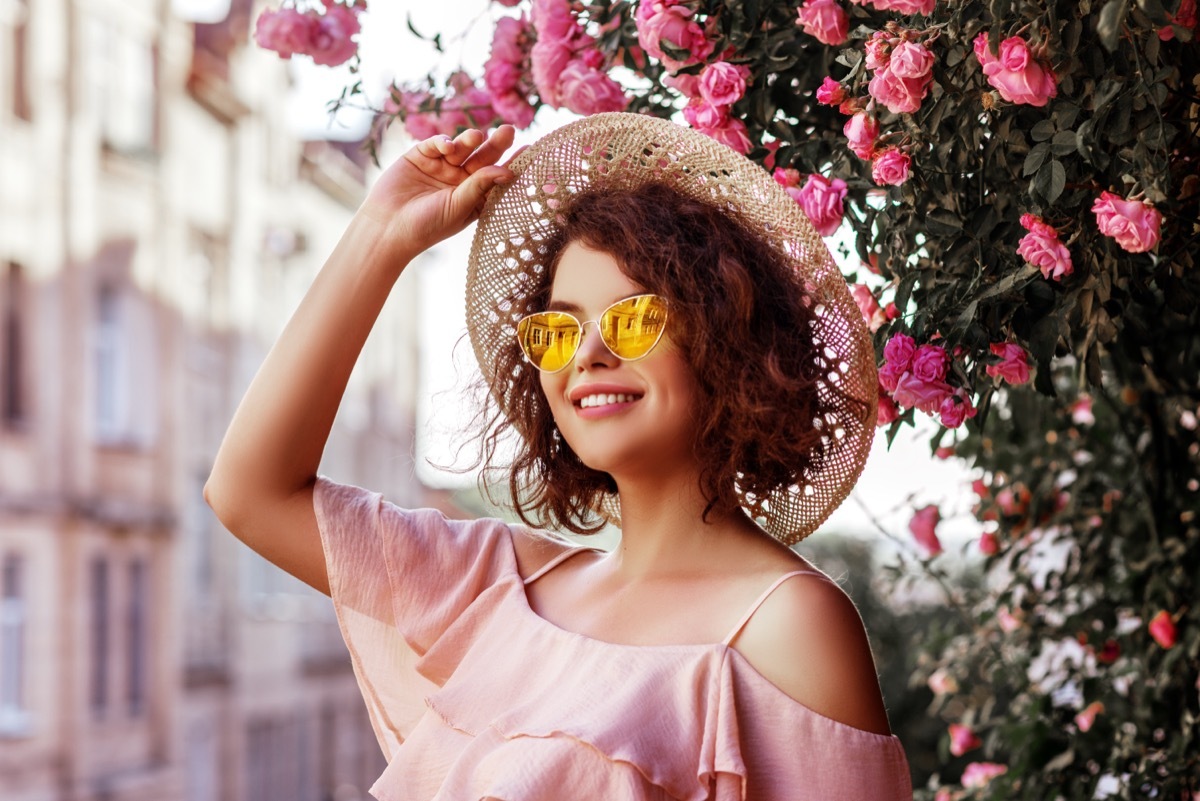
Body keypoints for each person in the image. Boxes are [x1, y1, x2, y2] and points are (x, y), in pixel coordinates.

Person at [206, 112, 913, 800]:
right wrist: (382, 234)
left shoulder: (790, 626)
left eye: (633, 319)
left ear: (726, 342)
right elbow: (249, 492)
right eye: (558, 330)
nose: (589, 355)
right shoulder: (499, 587)